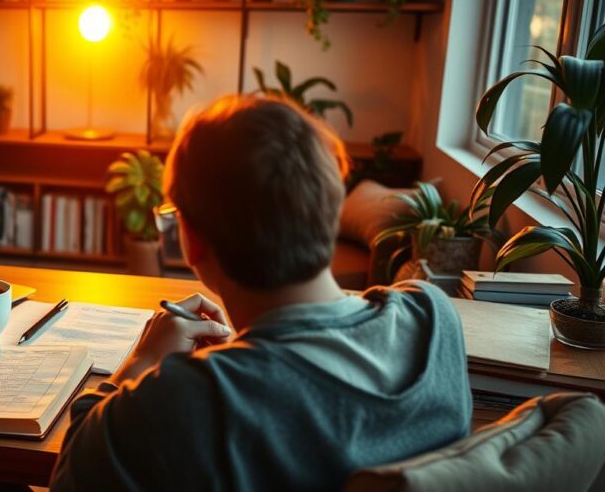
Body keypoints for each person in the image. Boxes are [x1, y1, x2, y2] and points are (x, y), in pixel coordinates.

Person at [50, 96, 471, 491]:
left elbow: (73, 475)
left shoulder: (182, 399)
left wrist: (141, 362)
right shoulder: (432, 316)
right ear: (331, 208)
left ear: (192, 240)